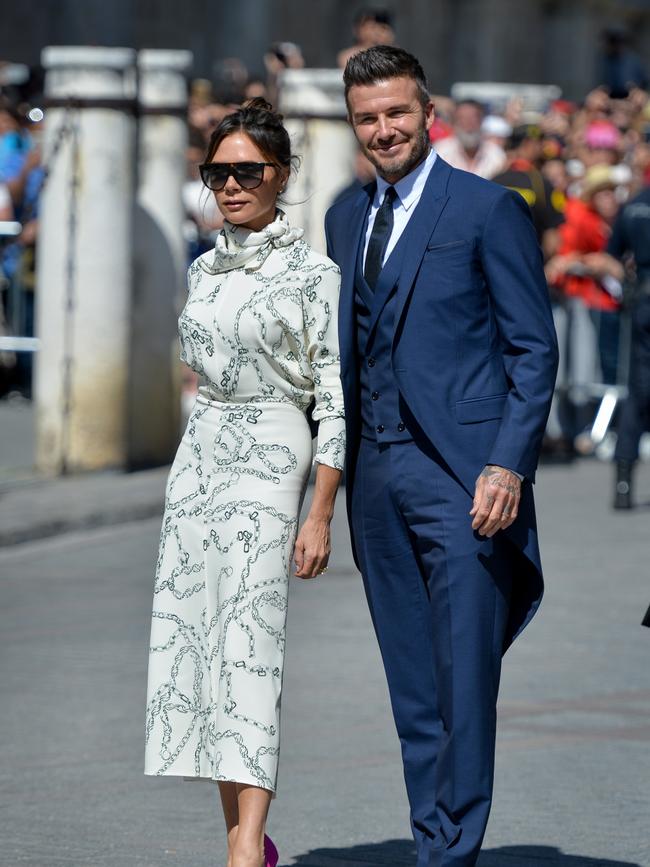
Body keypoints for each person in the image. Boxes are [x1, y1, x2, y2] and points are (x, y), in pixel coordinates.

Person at [325, 46, 558, 867]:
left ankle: (450, 851)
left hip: (464, 477)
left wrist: (508, 464)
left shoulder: (487, 210)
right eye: (366, 117)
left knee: (463, 677)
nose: (383, 129)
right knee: (414, 684)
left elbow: (534, 350)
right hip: (377, 474)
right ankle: (433, 835)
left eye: (395, 112)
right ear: (353, 126)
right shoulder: (345, 216)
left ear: (429, 115)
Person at [145, 98, 345, 867]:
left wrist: (320, 509)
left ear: (280, 175)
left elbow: (332, 396)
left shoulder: (312, 272)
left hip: (271, 454)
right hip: (198, 459)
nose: (230, 185)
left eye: (247, 171)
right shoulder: (202, 264)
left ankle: (243, 852)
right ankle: (244, 841)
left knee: (251, 649)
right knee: (200, 653)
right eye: (217, 171)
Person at [607, 181, 650, 508]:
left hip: (644, 303)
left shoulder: (634, 204)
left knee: (637, 392)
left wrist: (629, 284)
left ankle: (623, 484)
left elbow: (613, 254)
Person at [434, 98, 507, 179]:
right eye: (462, 119)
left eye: (473, 118)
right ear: (453, 123)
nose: (468, 125)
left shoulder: (496, 156)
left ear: (482, 121)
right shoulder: (440, 152)